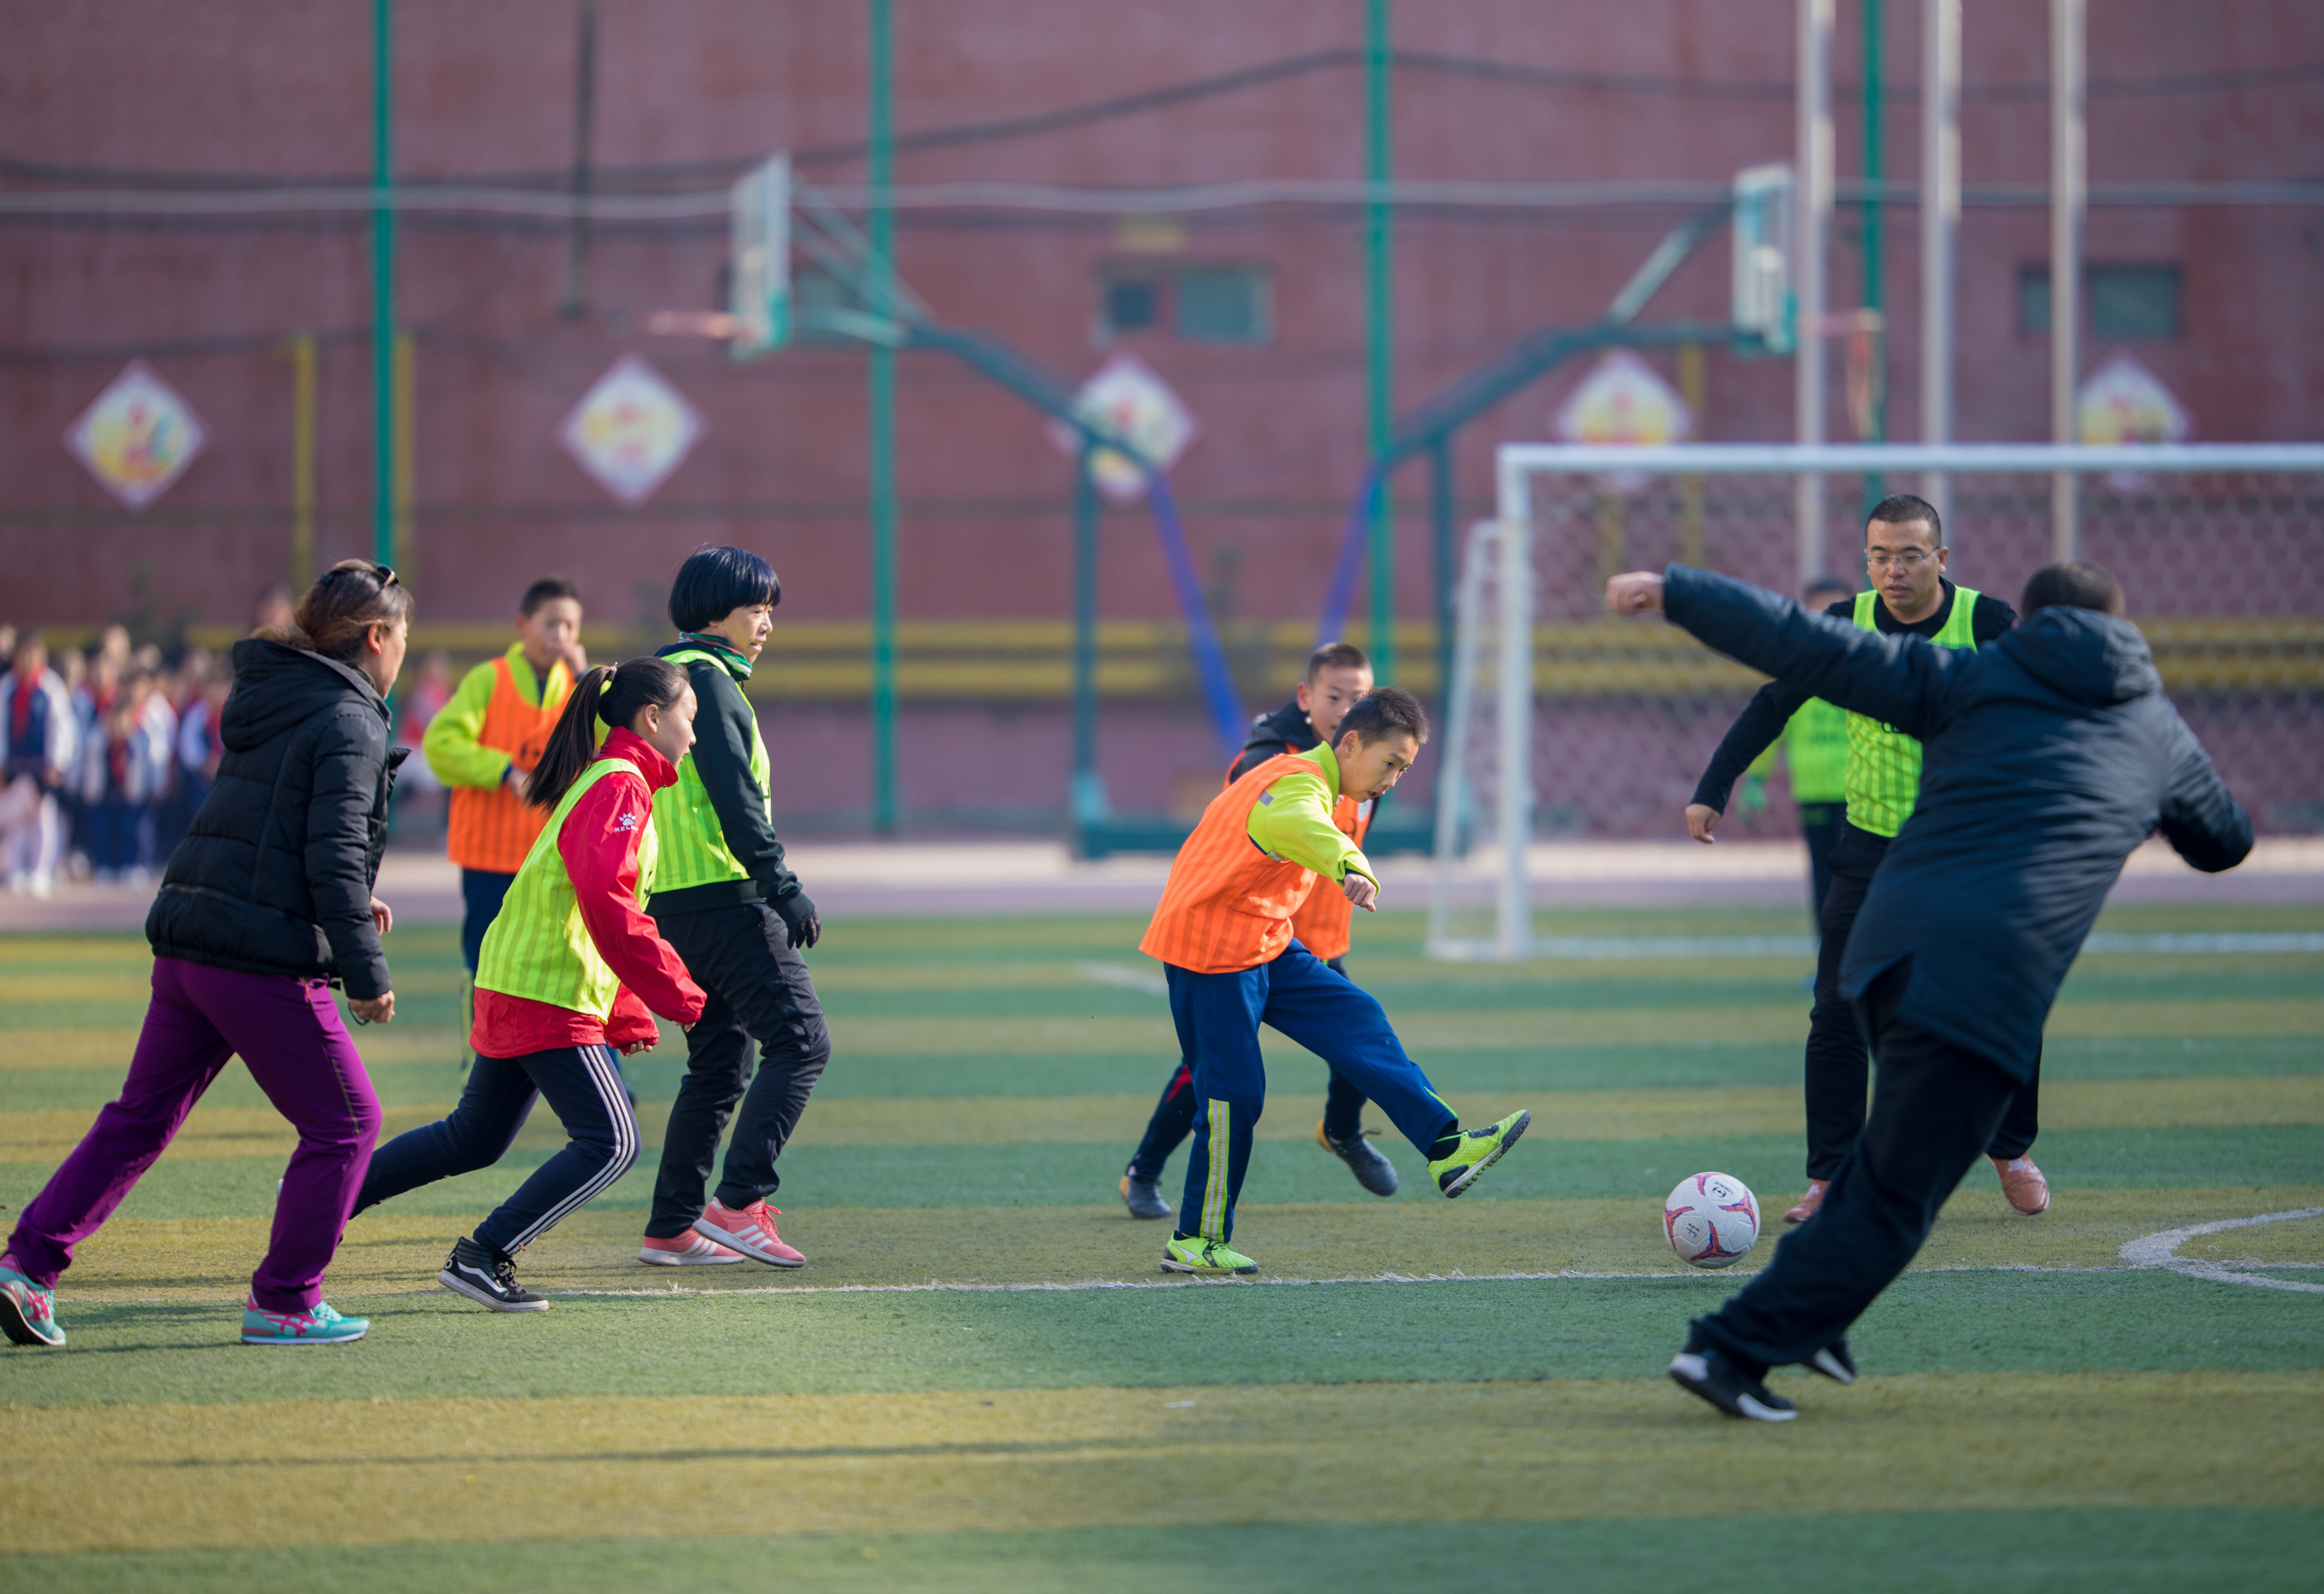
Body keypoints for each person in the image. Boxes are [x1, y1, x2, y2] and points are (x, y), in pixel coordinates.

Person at [1607, 560, 2251, 1423]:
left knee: (1893, 1172)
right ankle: (1729, 1348)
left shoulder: (1971, 677)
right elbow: (2224, 843)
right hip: (1984, 981)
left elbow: (1806, 645)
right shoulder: (2154, 727)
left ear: (2024, 624)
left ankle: (1815, 1315)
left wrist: (1678, 590)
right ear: (2122, 628)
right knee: (1901, 1194)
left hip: (1880, 950)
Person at [0, 561, 411, 1350]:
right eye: (403, 637)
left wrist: (352, 901)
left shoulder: (276, 692)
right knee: (350, 1124)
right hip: (256, 956)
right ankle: (287, 1298)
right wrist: (365, 975)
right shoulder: (353, 718)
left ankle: (26, 1268)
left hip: (193, 940)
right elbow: (327, 854)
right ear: (377, 638)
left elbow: (277, 830)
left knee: (138, 1121)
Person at [1685, 497, 2046, 1226]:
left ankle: (2009, 1148)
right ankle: (1829, 1177)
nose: (1892, 569)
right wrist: (1713, 787)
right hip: (1871, 848)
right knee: (1837, 1014)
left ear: (1940, 560)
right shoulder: (1843, 625)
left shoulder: (1986, 623)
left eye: (1909, 554)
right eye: (1879, 555)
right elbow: (1772, 700)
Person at [352, 658, 708, 1309]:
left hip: (519, 979)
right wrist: (681, 997)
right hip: (544, 990)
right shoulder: (620, 785)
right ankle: (484, 1254)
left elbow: (603, 905)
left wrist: (628, 1014)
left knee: (473, 1138)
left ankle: (327, 1202)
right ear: (653, 719)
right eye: (691, 718)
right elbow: (609, 905)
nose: (694, 734)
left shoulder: (614, 779)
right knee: (613, 1142)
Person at [1137, 687, 1532, 1276]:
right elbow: (1300, 823)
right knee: (1233, 1098)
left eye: (1404, 769)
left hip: (1263, 939)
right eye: (1390, 763)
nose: (1393, 779)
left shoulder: (1317, 780)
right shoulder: (1294, 782)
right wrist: (1351, 864)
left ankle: (1447, 1149)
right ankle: (1196, 1239)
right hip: (1211, 951)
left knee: (1358, 1017)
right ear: (1350, 744)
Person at [1120, 640, 1398, 1221]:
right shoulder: (1276, 762)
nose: (1348, 705)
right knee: (1212, 1078)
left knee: (1361, 1033)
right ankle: (1143, 1172)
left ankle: (1342, 1132)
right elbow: (1264, 818)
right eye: (1335, 696)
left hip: (1320, 942)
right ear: (1306, 698)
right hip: (1255, 943)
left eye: (1360, 696)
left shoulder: (1368, 764)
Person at [641, 547, 831, 1269]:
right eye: (757, 609)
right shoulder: (709, 684)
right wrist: (782, 886)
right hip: (726, 900)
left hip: (679, 906)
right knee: (802, 1041)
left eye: (771, 611)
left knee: (720, 1064)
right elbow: (734, 799)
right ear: (713, 611)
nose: (767, 625)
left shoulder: (663, 680)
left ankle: (670, 1227)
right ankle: (738, 1202)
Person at [422, 576, 586, 1041]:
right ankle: (478, 1075)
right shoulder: (488, 680)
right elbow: (441, 744)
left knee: (564, 969)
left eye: (571, 626)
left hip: (550, 860)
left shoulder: (578, 687)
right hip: (489, 861)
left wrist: (584, 679)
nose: (562, 636)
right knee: (486, 974)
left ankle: (597, 1071)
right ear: (522, 625)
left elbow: (607, 740)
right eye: (551, 623)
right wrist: (503, 770)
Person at [1, 634, 76, 898]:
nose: (28, 660)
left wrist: (57, 762)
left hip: (42, 765)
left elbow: (61, 726)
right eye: (23, 655)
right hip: (16, 764)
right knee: (15, 821)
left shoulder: (50, 686)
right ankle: (16, 870)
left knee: (44, 817)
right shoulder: (8, 687)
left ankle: (41, 870)